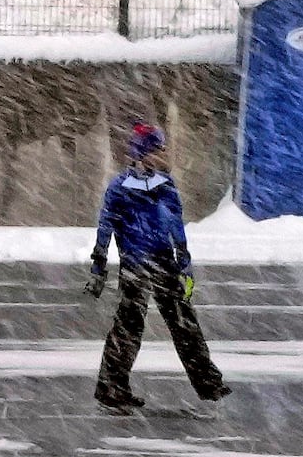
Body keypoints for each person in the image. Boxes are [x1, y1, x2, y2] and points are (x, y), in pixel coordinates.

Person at [84, 120, 227, 412]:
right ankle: (111, 388)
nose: (163, 153)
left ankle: (208, 382)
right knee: (128, 327)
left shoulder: (166, 185)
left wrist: (184, 262)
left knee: (184, 323)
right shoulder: (120, 188)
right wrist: (98, 266)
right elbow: (105, 227)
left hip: (164, 262)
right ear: (143, 153)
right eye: (158, 148)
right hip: (135, 265)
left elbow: (176, 226)